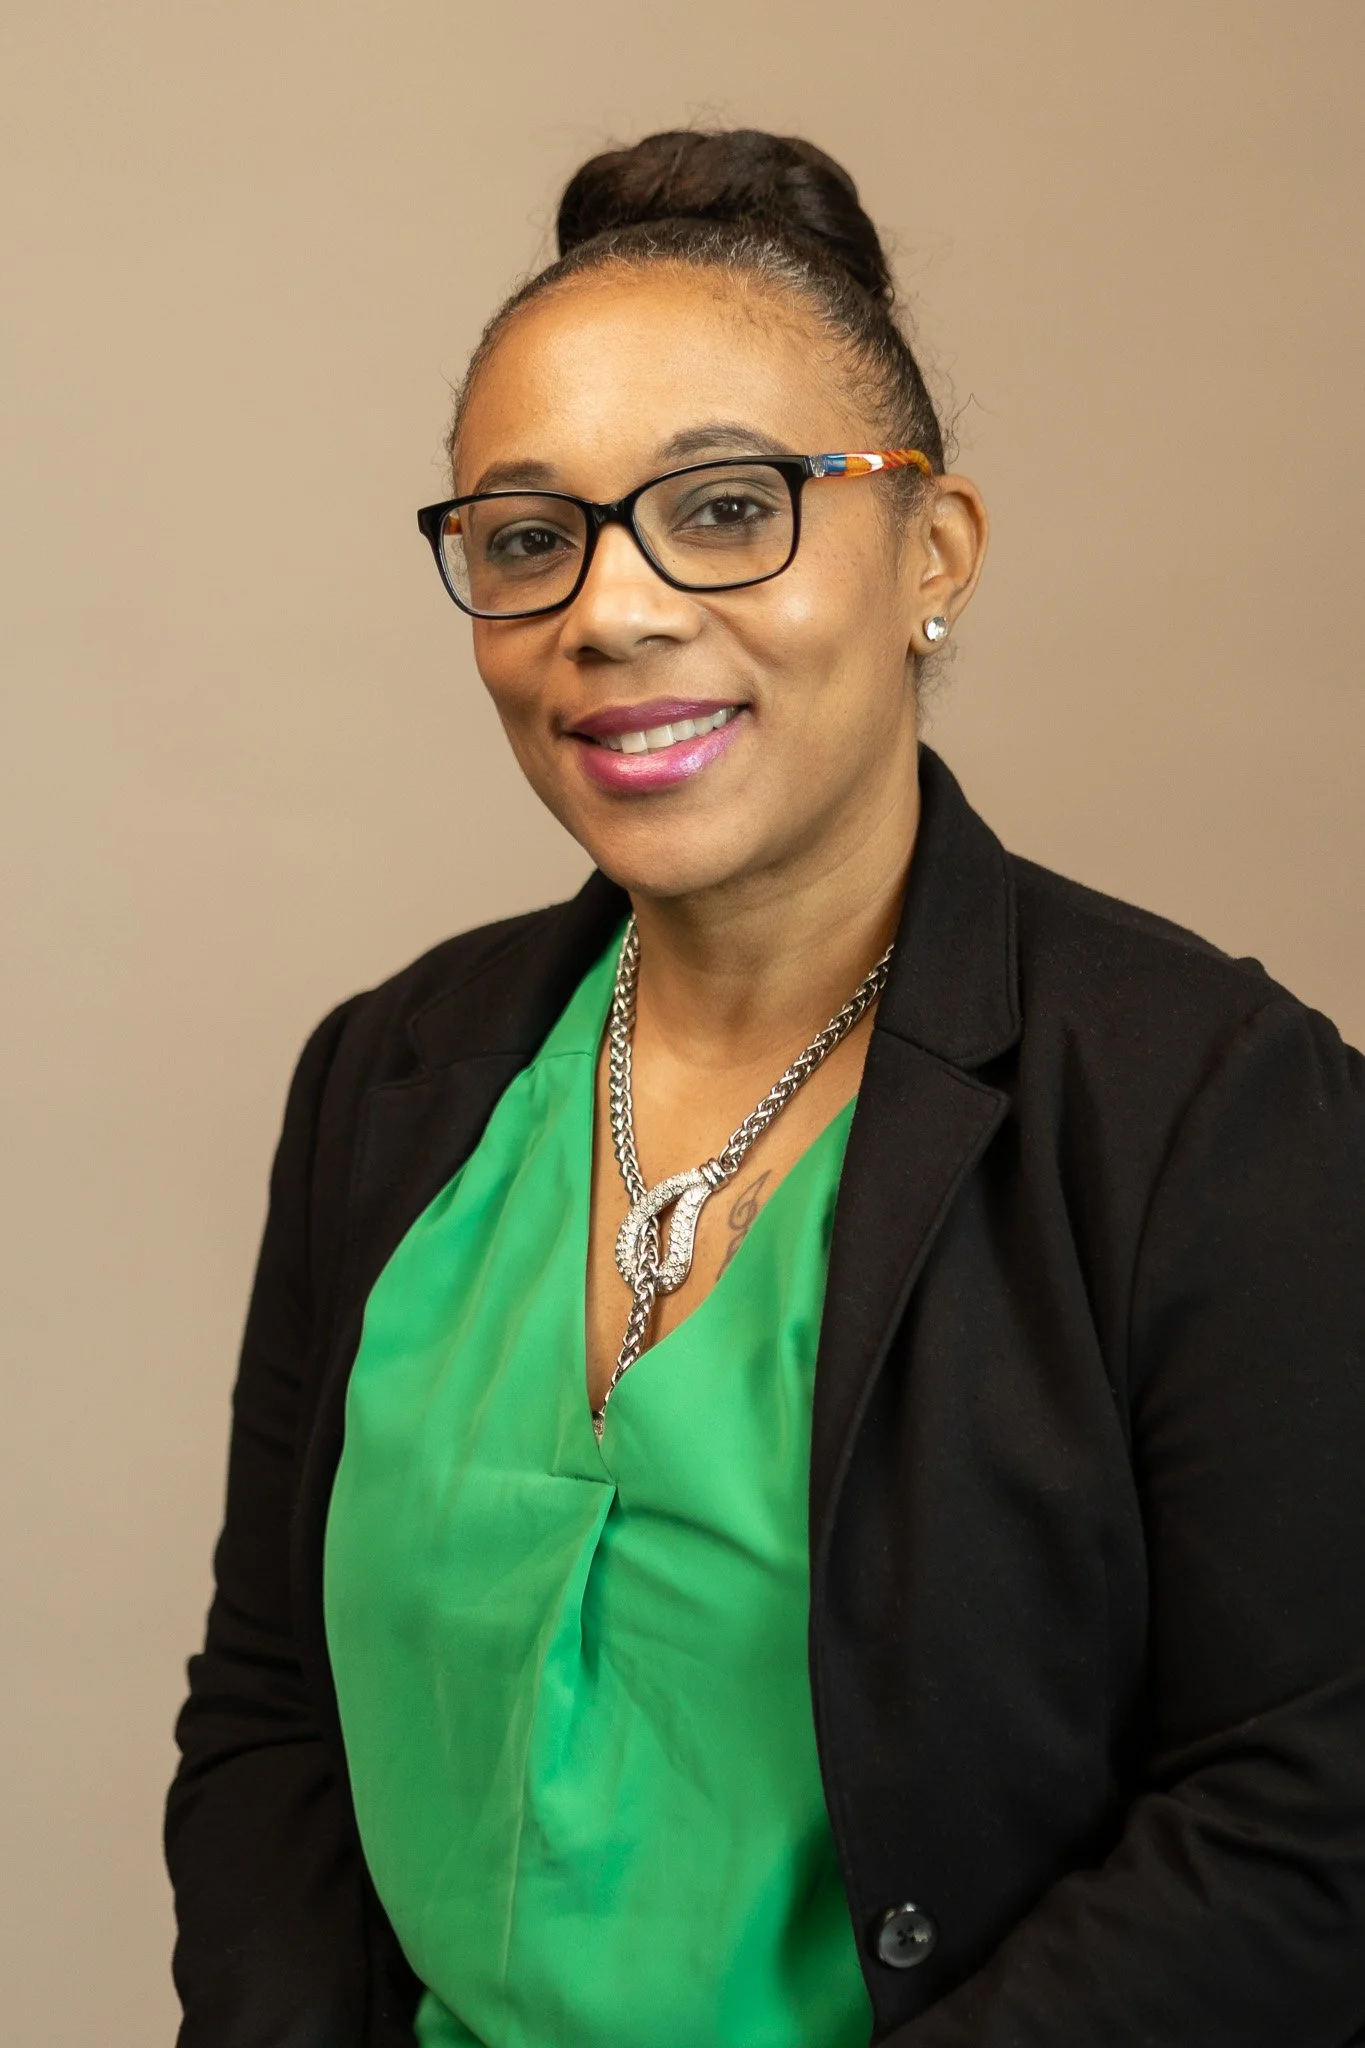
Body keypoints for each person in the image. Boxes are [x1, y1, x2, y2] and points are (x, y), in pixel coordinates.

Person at [165, 128, 1365, 2048]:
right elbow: (268, 1711)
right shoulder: (388, 1079)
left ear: (933, 553)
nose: (612, 612)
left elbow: (1309, 1819)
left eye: (727, 507)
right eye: (528, 535)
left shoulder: (1211, 1110)